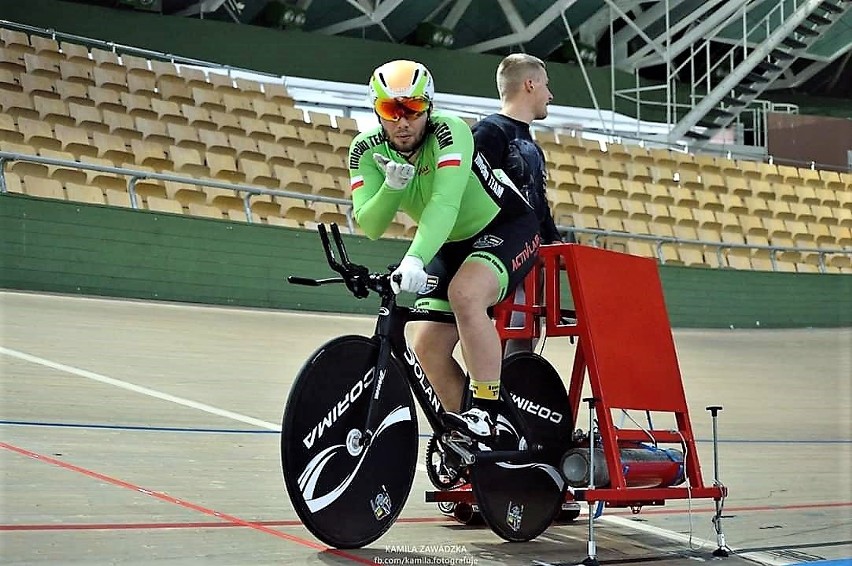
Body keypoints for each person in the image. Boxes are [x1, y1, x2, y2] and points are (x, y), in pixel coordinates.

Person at [348, 59, 541, 441]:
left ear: (429, 107)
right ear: (377, 110)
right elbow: (370, 225)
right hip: (450, 241)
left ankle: (489, 412)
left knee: (465, 294)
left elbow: (444, 205)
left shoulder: (452, 132)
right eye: (391, 110)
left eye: (413, 110)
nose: (402, 122)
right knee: (427, 349)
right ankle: (468, 440)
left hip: (506, 225)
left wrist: (415, 259)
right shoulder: (365, 149)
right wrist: (391, 187)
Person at [471, 53, 563, 356]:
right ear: (530, 84)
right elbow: (479, 190)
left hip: (529, 258)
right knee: (506, 339)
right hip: (503, 254)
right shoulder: (489, 132)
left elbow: (538, 201)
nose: (550, 95)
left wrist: (553, 241)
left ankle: (516, 393)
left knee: (523, 341)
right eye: (547, 86)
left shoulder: (530, 142)